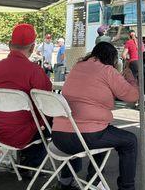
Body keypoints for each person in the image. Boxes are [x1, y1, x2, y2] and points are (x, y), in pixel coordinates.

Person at [52, 42, 139, 190]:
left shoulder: (78, 67)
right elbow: (132, 96)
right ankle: (127, 187)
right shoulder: (107, 70)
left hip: (59, 137)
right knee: (130, 141)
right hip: (85, 137)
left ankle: (78, 180)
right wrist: (131, 79)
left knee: (104, 132)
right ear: (112, 59)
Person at [0, 23, 52, 168]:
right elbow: (48, 104)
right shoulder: (35, 71)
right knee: (53, 123)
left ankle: (21, 161)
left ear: (9, 44)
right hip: (26, 134)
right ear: (33, 48)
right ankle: (31, 165)